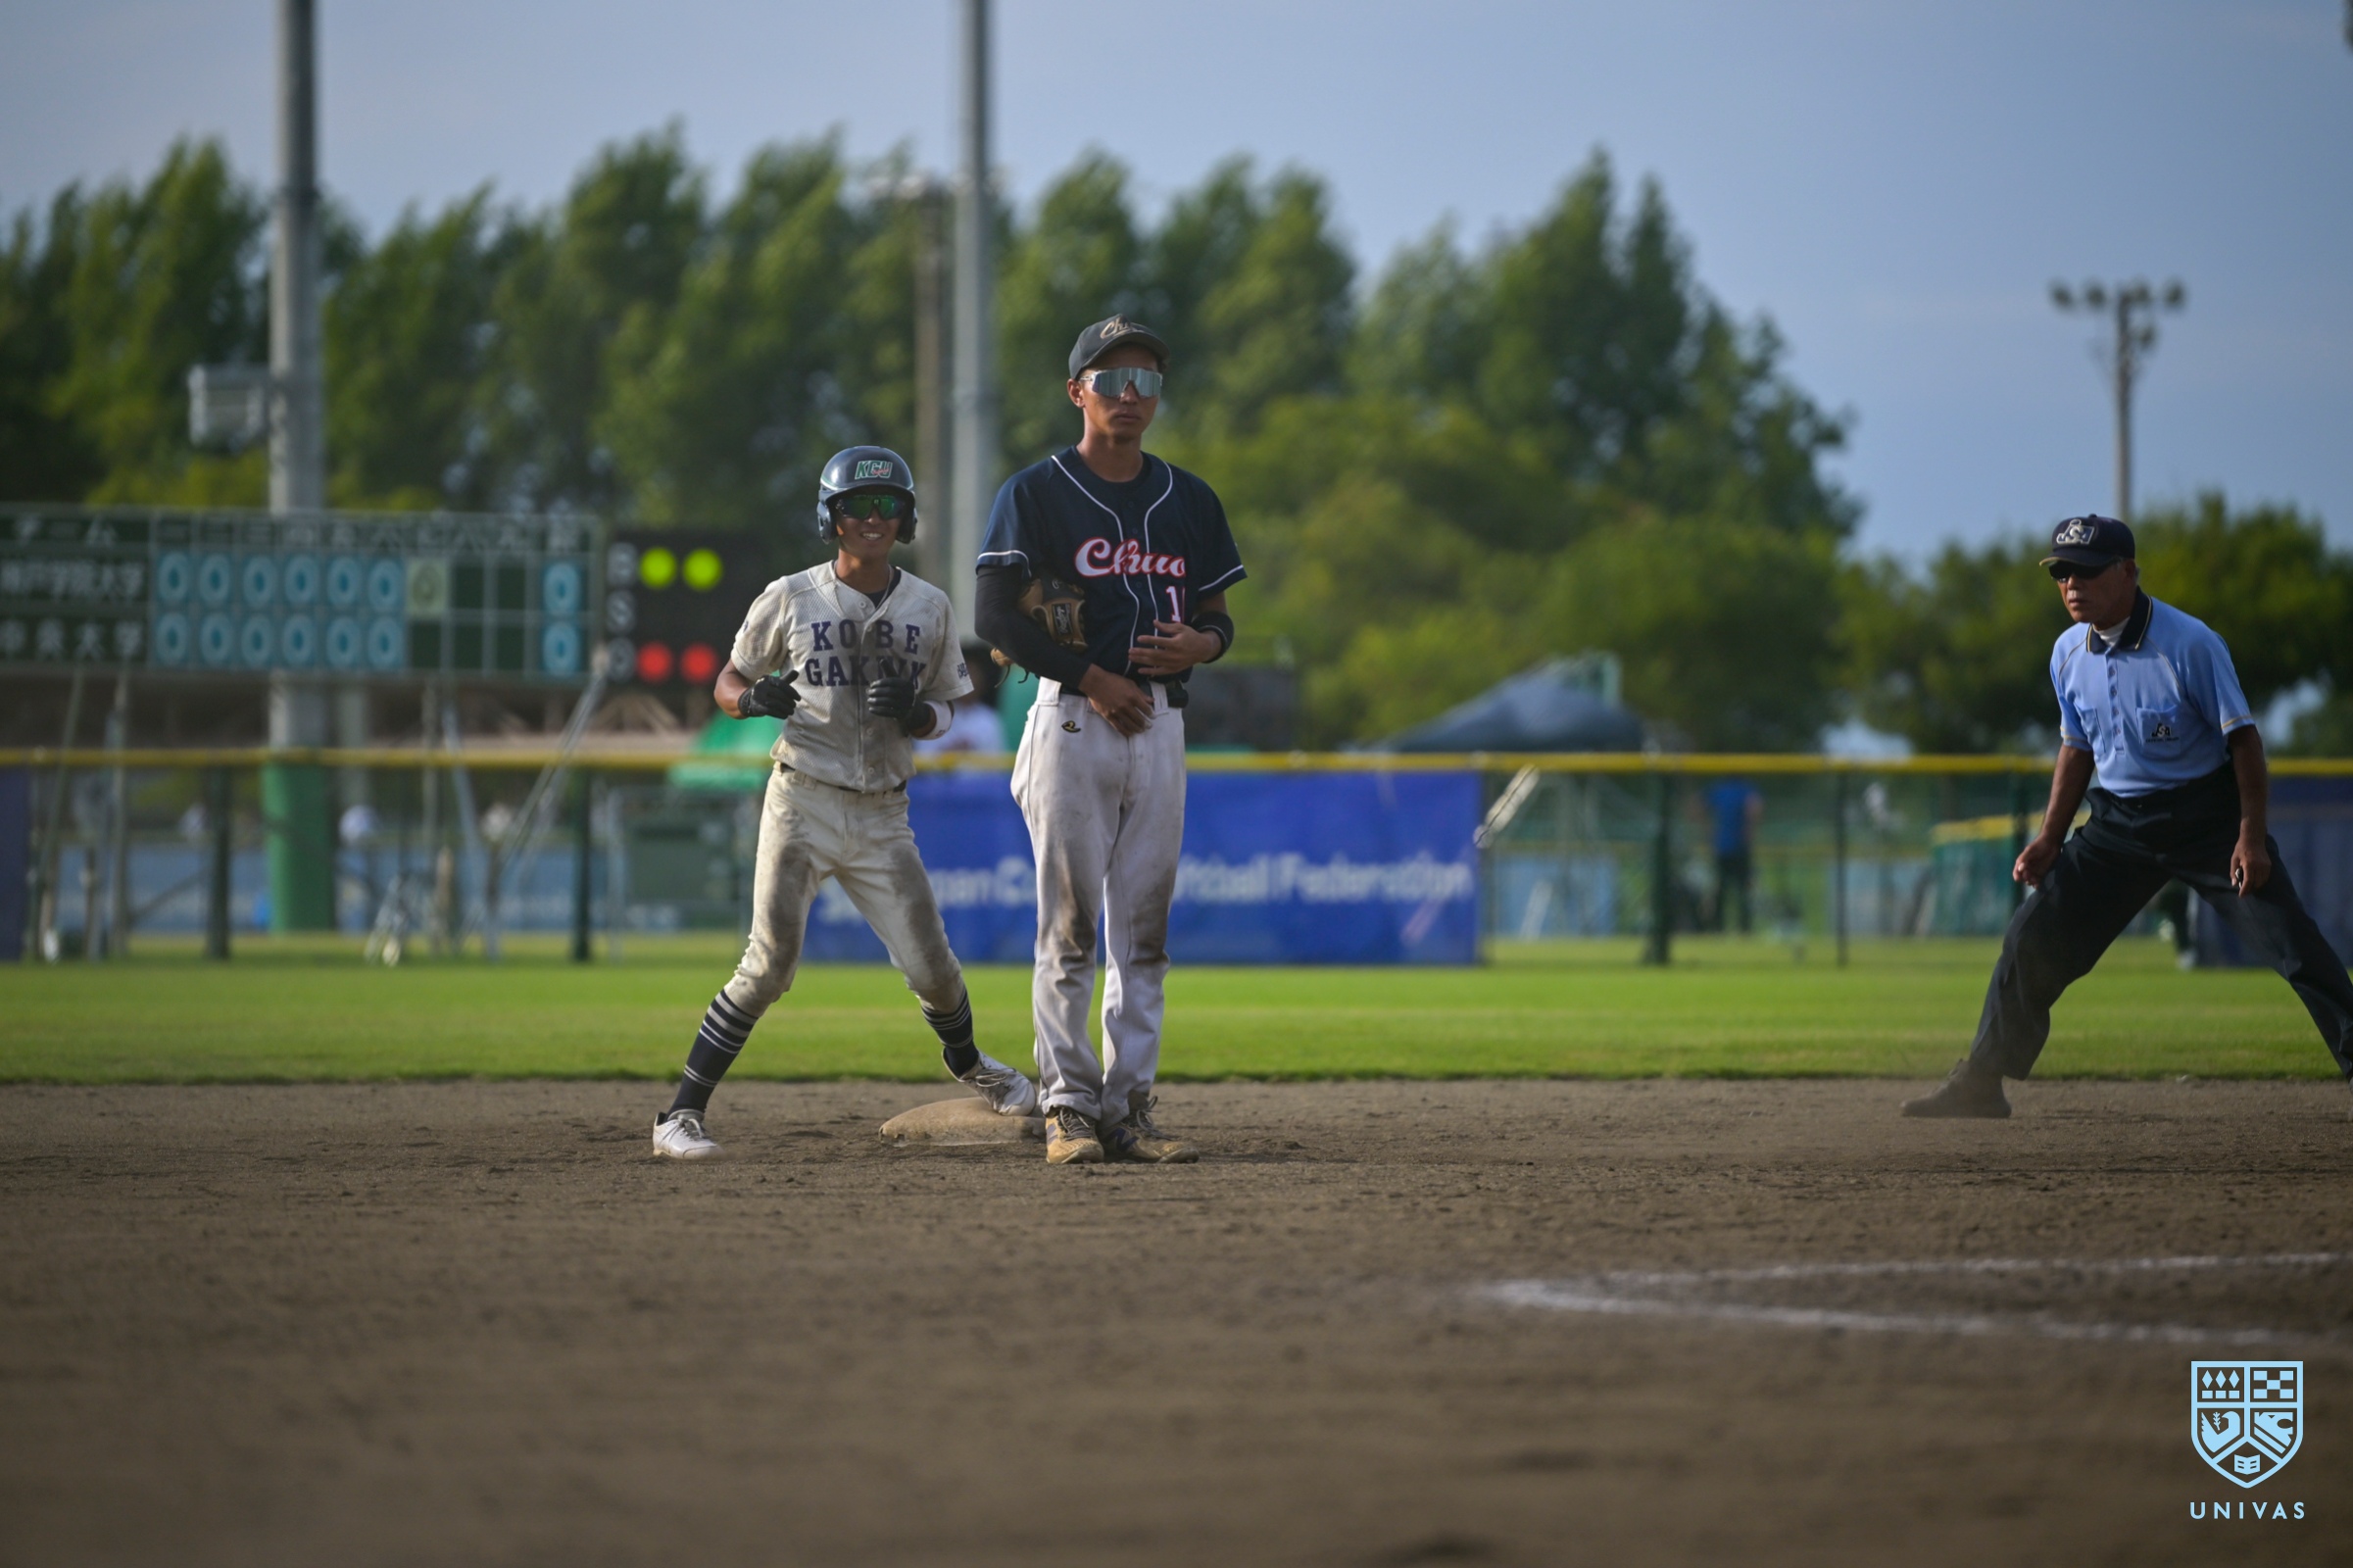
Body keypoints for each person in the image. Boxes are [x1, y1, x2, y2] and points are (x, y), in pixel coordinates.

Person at [651, 446, 1038, 1158]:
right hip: (801, 797)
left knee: (933, 967)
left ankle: (972, 1066)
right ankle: (679, 1115)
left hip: (883, 809)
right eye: (857, 506)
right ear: (831, 518)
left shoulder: (929, 604)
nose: (872, 517)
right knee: (768, 965)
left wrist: (917, 714)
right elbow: (728, 680)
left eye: (887, 505)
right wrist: (750, 700)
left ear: (907, 518)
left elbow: (950, 711)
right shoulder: (790, 595)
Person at [1903, 514, 2353, 1118]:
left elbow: (2244, 742)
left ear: (2128, 572)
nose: (2072, 585)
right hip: (2117, 826)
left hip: (2207, 822)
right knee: (2031, 939)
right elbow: (2076, 748)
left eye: (2087, 571)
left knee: (2293, 944)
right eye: (2062, 573)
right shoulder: (2067, 652)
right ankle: (1982, 1082)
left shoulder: (2189, 643)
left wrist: (2250, 838)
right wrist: (2049, 838)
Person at [974, 316, 1244, 1165]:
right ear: (1076, 391)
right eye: (1111, 378)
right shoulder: (1035, 492)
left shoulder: (1189, 499)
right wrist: (1094, 677)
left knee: (1143, 934)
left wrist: (1202, 644)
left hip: (1160, 720)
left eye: (1146, 381)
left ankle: (1128, 1109)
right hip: (1070, 715)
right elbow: (994, 620)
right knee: (1069, 930)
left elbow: (1217, 618)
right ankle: (1067, 1107)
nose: (1130, 395)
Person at [1705, 778, 1762, 933]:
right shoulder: (1745, 790)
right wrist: (1750, 831)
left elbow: (1695, 807)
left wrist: (1707, 830)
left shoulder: (1719, 790)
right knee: (1741, 889)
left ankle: (1719, 927)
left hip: (1723, 848)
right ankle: (1743, 927)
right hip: (1738, 848)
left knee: (1722, 889)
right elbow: (1755, 809)